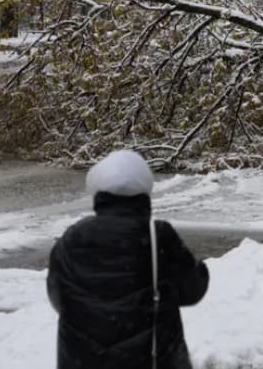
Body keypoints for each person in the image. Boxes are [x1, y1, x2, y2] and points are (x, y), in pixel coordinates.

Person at [47, 150, 209, 369]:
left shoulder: (72, 238)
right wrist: (200, 269)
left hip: (84, 360)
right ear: (144, 193)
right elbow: (192, 291)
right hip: (150, 359)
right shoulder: (158, 236)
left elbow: (58, 298)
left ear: (99, 194)